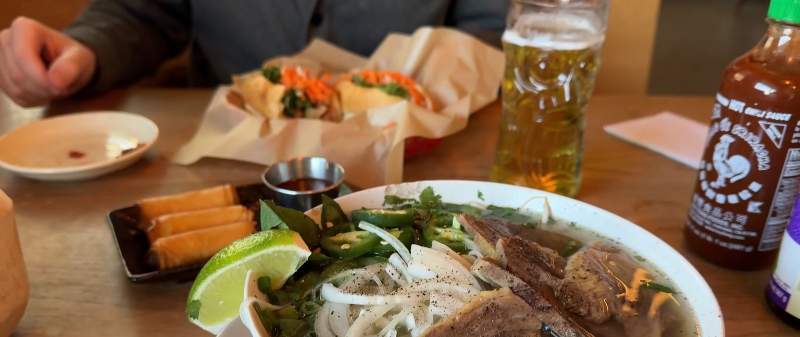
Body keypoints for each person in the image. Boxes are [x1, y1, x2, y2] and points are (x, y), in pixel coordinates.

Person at [0, 0, 506, 107]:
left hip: (421, 161)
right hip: (227, 158)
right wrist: (85, 50)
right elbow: (146, 12)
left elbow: (494, 25)